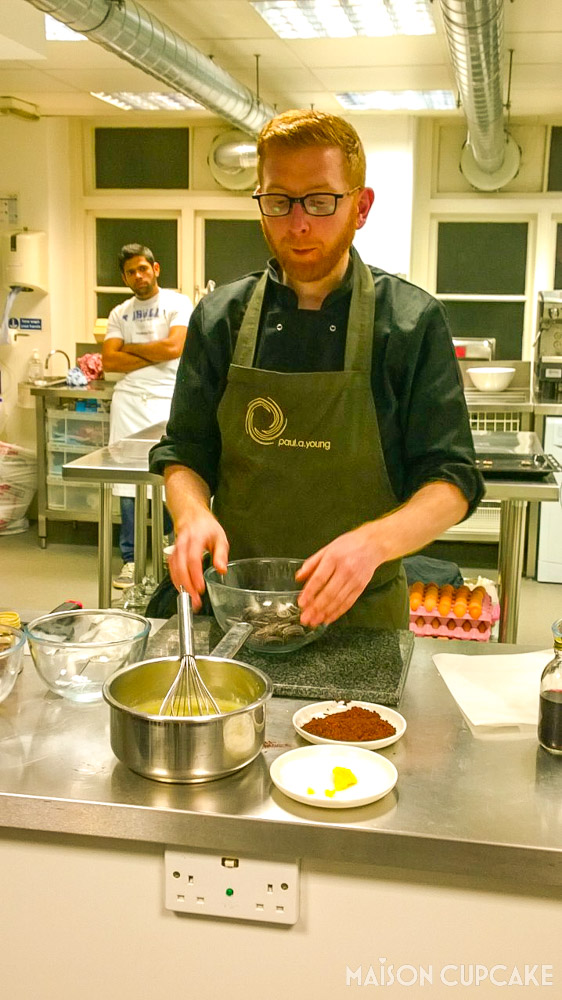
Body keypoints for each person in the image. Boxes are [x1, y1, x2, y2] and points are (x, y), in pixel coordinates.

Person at [149, 110, 484, 629]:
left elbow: (452, 481)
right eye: (279, 201)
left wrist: (375, 542)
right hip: (238, 609)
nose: (298, 223)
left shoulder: (412, 322)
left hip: (361, 615)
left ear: (361, 206)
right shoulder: (220, 319)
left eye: (321, 201)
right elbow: (186, 453)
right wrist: (191, 512)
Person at [102, 243, 192, 589]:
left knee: (169, 475)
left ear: (155, 268)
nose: (138, 276)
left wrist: (129, 350)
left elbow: (175, 348)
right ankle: (130, 560)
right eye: (130, 272)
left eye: (143, 268)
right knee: (127, 482)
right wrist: (150, 353)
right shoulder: (119, 313)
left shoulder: (176, 303)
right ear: (124, 277)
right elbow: (109, 361)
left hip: (167, 397)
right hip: (128, 402)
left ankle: (173, 556)